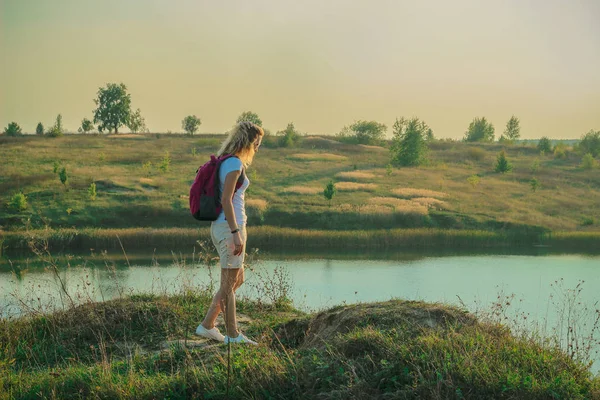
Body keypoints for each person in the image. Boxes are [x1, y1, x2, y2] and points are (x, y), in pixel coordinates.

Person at [195, 121, 264, 345]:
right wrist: (236, 232)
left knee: (236, 279)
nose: (257, 148)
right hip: (228, 227)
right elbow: (226, 200)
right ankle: (233, 335)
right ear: (248, 141)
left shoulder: (225, 161)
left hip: (225, 226)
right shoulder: (234, 163)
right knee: (229, 283)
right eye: (257, 143)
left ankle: (207, 325)